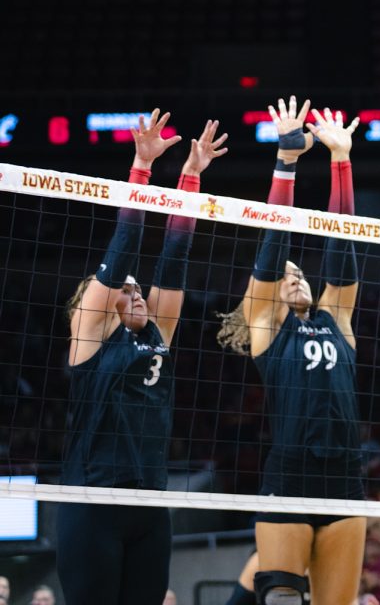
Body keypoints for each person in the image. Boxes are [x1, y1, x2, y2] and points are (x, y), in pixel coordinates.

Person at [57, 112, 226, 605]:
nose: (134, 292)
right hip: (93, 499)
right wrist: (141, 166)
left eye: (137, 289)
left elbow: (175, 255)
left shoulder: (158, 331)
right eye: (123, 288)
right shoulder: (88, 334)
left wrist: (191, 175)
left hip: (150, 501)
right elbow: (124, 245)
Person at [216, 98, 366, 605]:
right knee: (280, 598)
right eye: (286, 276)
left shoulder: (336, 319)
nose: (295, 276)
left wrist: (340, 159)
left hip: (346, 479)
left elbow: (341, 246)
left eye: (300, 273)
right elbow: (271, 250)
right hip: (290, 476)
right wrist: (287, 161)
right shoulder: (266, 328)